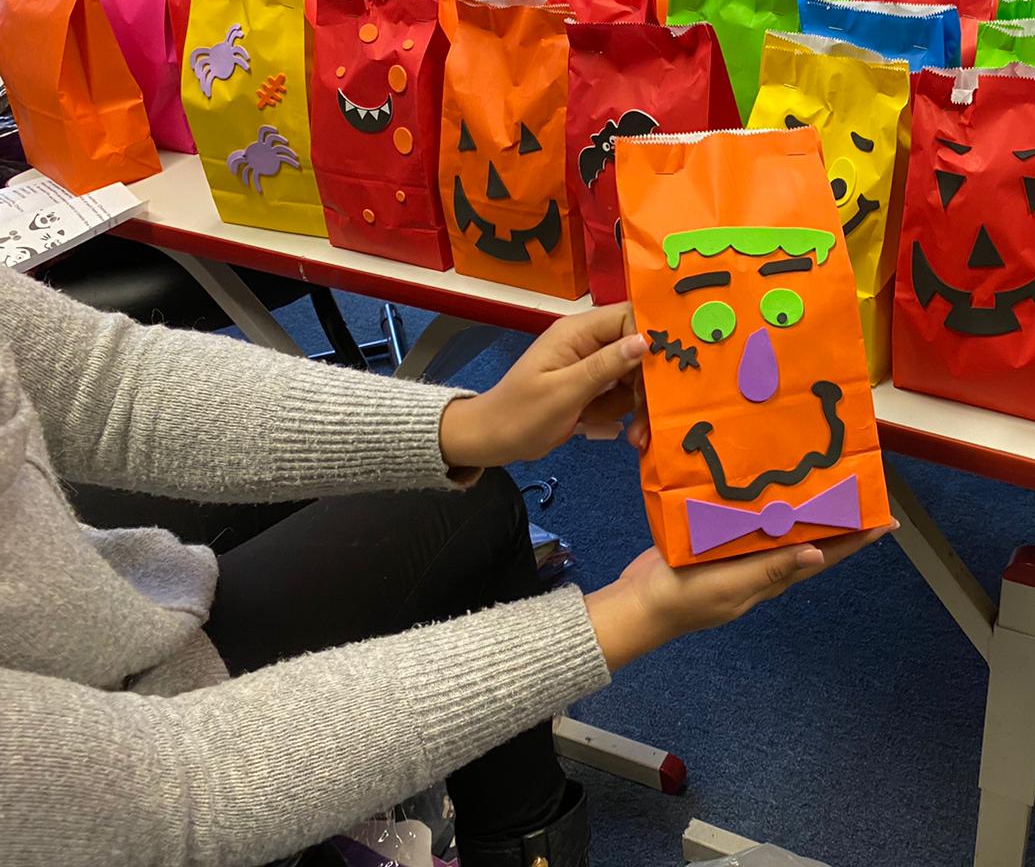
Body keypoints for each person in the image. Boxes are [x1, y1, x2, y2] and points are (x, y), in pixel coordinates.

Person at [0, 264, 889, 867]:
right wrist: (629, 614)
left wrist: (467, 426)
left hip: (102, 609)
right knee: (478, 515)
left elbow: (102, 386)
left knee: (470, 490)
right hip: (131, 765)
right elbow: (180, 789)